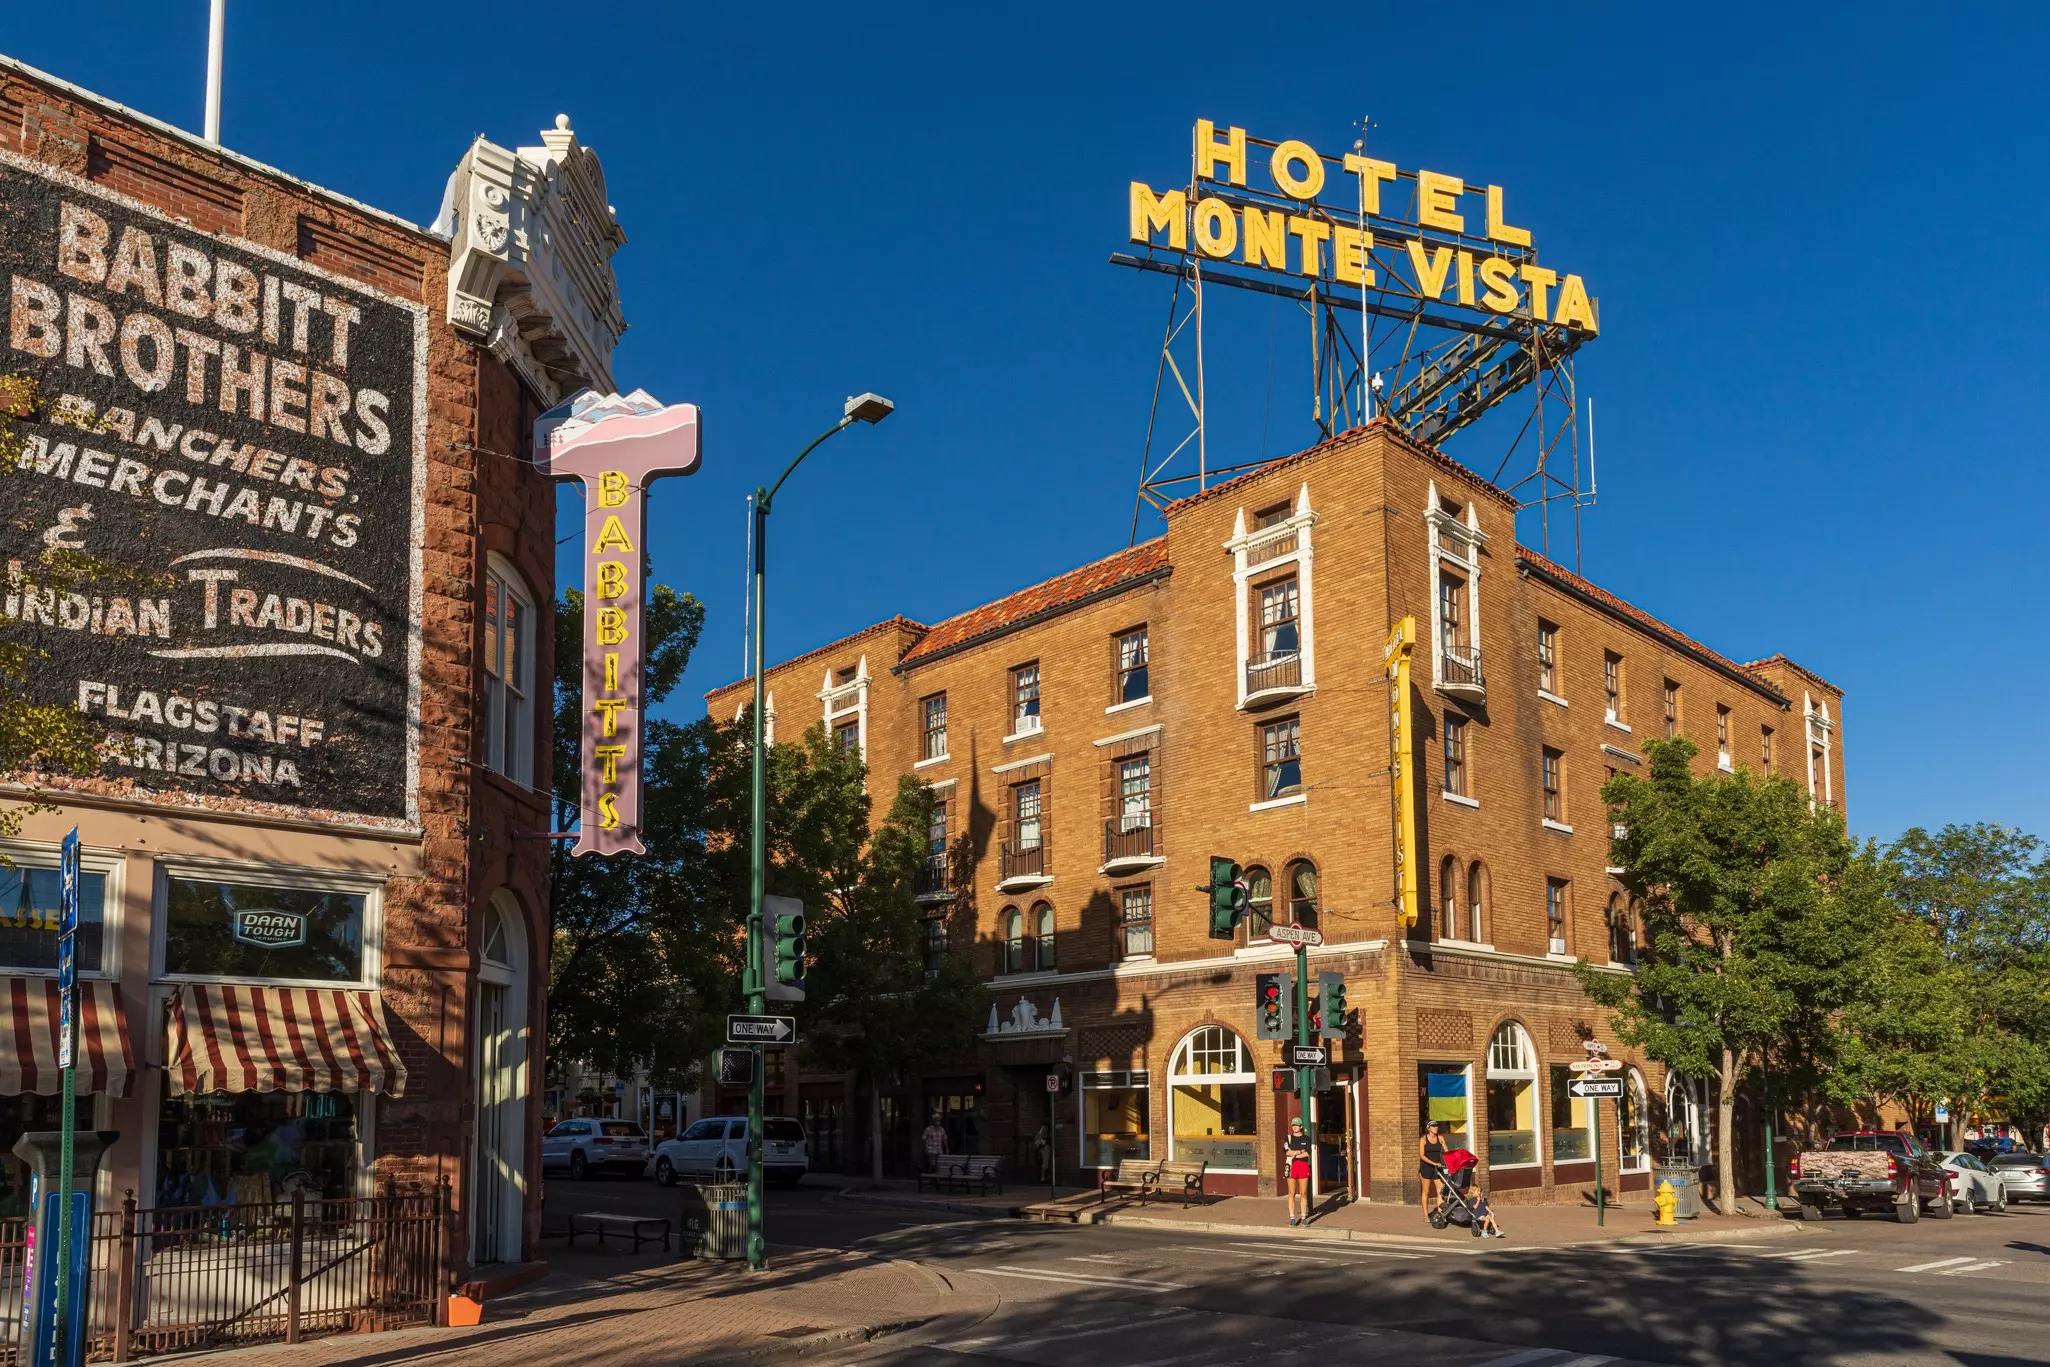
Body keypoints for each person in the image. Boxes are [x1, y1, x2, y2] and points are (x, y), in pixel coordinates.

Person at [1284, 1118, 1313, 1226]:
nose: (1295, 1127)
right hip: (1291, 1166)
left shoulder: (1307, 1138)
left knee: (1303, 1193)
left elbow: (1308, 1153)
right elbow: (1287, 1152)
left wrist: (1295, 1154)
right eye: (1293, 1125)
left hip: (1303, 1166)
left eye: (1297, 1125)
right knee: (1291, 1192)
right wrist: (1301, 1151)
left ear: (1301, 1126)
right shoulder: (1288, 1138)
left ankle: (1303, 1217)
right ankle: (1292, 1217)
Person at [1418, 1120, 1447, 1218]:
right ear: (1428, 1128)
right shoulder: (1423, 1139)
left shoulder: (1441, 1138)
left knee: (1441, 1191)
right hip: (1426, 1167)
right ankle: (1426, 1215)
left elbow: (1447, 1152)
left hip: (1438, 1168)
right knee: (1426, 1191)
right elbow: (1422, 1156)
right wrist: (1434, 1163)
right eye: (1434, 1126)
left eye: (1437, 1126)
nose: (1436, 1128)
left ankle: (1440, 1214)